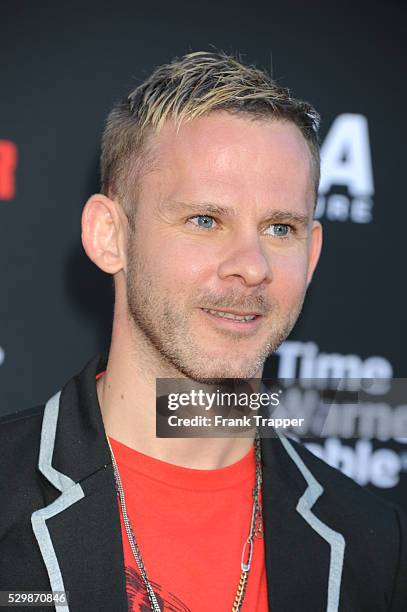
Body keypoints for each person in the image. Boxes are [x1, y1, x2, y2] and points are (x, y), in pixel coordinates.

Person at [0, 51, 406, 612]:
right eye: (206, 221)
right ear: (109, 236)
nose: (252, 264)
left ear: (311, 255)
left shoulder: (375, 547)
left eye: (280, 227)